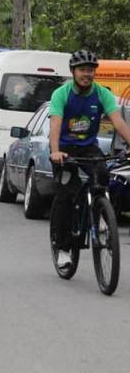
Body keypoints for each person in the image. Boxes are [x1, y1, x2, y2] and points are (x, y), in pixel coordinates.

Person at [49, 50, 130, 268]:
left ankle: (102, 220)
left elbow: (118, 122)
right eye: (83, 70)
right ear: (73, 72)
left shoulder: (101, 94)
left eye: (91, 70)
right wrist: (55, 151)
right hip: (64, 149)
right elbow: (55, 125)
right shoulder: (61, 94)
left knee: (103, 174)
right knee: (66, 194)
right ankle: (64, 248)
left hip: (88, 148)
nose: (88, 74)